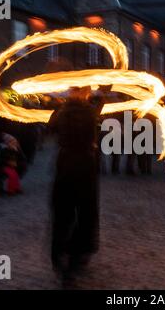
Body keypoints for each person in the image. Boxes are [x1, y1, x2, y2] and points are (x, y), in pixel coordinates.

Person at [49, 86, 104, 278]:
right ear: (83, 93)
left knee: (63, 212)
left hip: (65, 164)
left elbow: (50, 127)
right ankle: (75, 257)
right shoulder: (89, 111)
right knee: (84, 212)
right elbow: (99, 105)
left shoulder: (61, 112)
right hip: (84, 166)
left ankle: (59, 256)